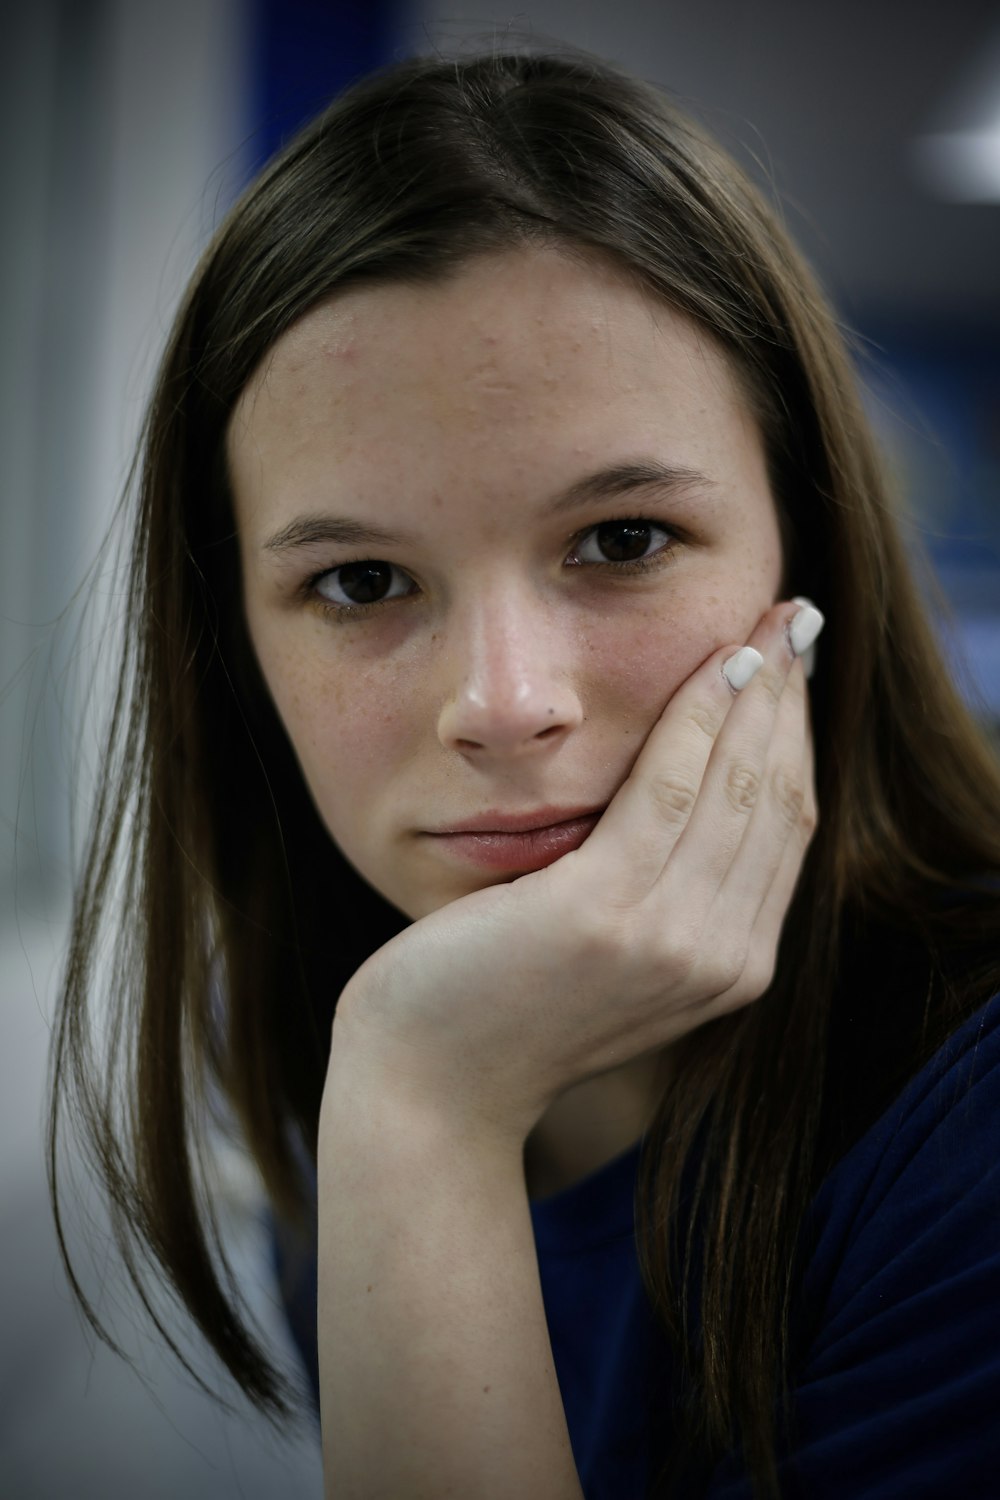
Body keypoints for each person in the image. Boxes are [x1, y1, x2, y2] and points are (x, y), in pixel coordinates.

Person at [48, 45, 1000, 1500]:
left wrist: (424, 1116)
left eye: (622, 541)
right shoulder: (351, 1029)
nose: (505, 705)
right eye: (362, 580)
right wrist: (415, 1105)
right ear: (234, 649)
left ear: (808, 555)